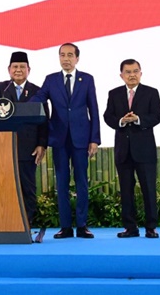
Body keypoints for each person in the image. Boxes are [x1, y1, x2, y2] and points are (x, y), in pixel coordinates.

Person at [30, 43, 100, 239]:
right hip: (59, 138)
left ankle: (82, 225)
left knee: (81, 182)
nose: (66, 58)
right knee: (61, 183)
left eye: (70, 55)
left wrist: (94, 138)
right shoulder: (51, 80)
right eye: (62, 55)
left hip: (81, 138)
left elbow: (93, 109)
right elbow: (40, 98)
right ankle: (65, 227)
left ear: (77, 58)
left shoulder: (86, 79)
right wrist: (22, 107)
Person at [0, 51, 48, 228]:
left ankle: (27, 222)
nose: (18, 70)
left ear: (29, 69)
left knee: (27, 187)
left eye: (22, 67)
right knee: (2, 186)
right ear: (9, 69)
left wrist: (42, 144)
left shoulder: (38, 91)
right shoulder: (0, 88)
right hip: (2, 146)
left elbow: (45, 120)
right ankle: (3, 221)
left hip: (28, 147)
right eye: (15, 67)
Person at [103, 59, 160, 238]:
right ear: (121, 75)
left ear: (141, 73)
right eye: (128, 72)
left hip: (144, 149)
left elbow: (157, 116)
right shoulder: (114, 94)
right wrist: (122, 121)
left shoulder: (151, 92)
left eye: (135, 71)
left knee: (148, 189)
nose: (132, 75)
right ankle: (130, 227)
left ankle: (151, 227)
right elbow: (108, 116)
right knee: (126, 190)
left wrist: (137, 119)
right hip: (123, 150)